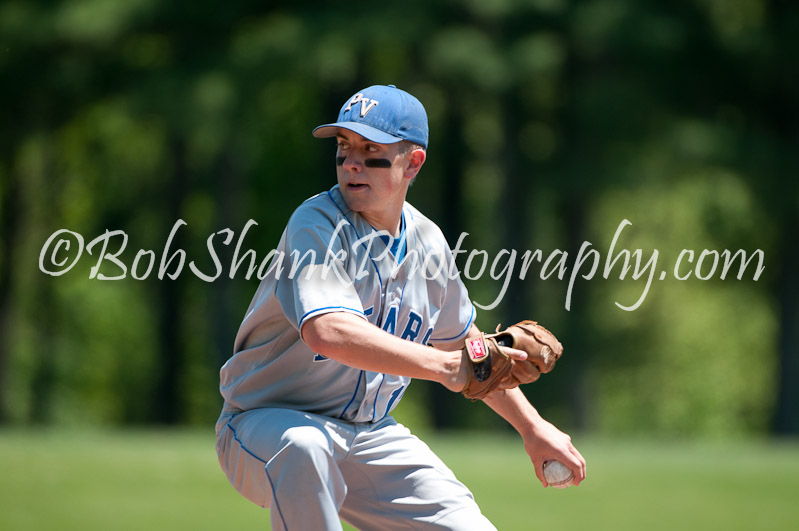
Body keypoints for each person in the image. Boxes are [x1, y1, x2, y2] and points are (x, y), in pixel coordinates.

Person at [215, 84, 586, 530]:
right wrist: (445, 367)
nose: (351, 162)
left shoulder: (428, 243)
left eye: (371, 149)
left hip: (369, 435)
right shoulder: (316, 223)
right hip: (265, 424)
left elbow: (468, 351)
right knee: (305, 448)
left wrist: (533, 428)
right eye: (344, 146)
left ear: (413, 163)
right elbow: (328, 331)